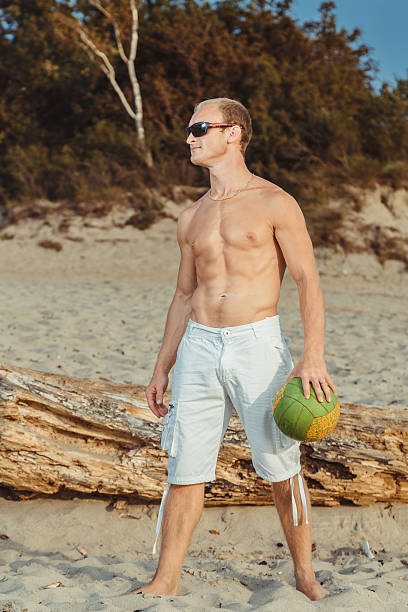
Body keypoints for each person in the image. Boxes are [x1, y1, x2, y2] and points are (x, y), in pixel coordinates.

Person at [131, 97, 335, 601]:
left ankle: (305, 576)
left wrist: (313, 355)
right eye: (189, 128)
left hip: (257, 343)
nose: (190, 137)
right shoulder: (190, 217)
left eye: (201, 127)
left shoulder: (274, 202)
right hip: (200, 345)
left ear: (234, 133)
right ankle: (166, 579)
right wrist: (162, 367)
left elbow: (308, 279)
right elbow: (183, 294)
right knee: (185, 466)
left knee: (280, 465)